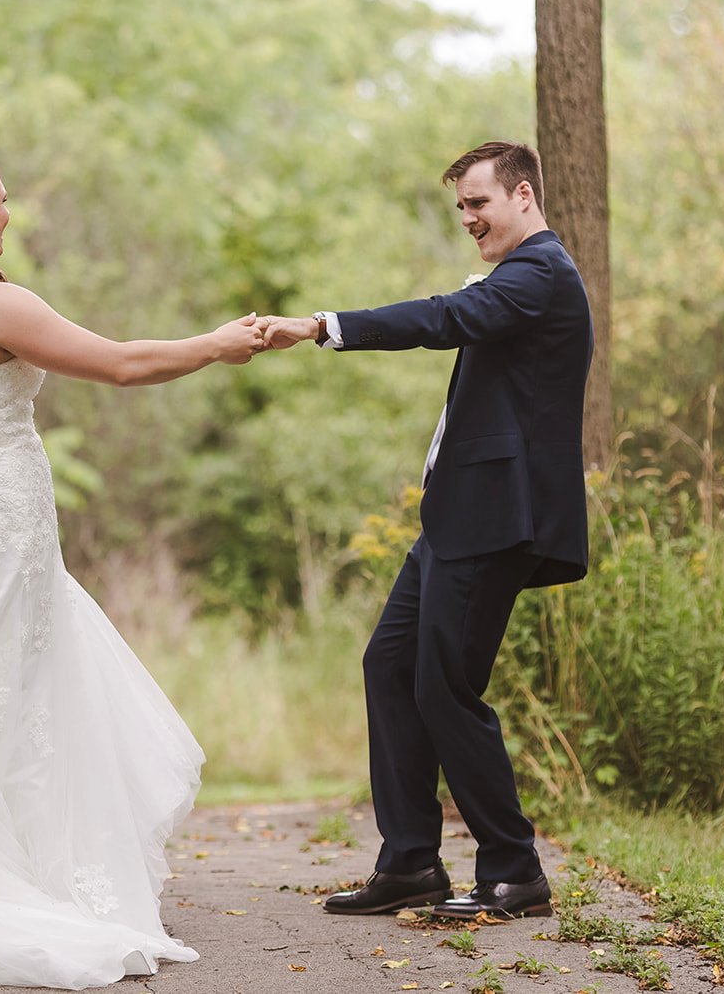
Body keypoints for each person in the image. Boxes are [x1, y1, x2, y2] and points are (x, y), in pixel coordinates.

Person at [0, 151, 264, 988]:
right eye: (2, 203)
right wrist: (216, 345)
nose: (9, 216)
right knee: (20, 684)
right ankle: (23, 876)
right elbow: (120, 363)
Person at [260, 141, 592, 921]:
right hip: (456, 517)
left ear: (522, 195)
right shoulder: (519, 276)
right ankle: (410, 862)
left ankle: (514, 869)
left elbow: (444, 317)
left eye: (479, 202)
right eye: (461, 207)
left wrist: (322, 326)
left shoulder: (541, 272)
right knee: (390, 663)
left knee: (446, 688)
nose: (468, 218)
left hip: (493, 519)